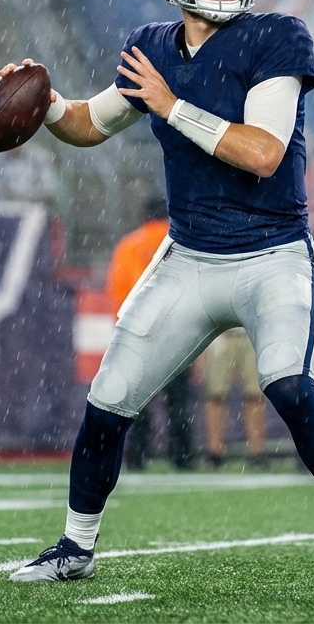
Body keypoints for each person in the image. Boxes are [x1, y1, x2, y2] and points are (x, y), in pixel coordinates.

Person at [0, 0, 314, 585]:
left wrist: (171, 105)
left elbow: (263, 153)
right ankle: (75, 546)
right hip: (189, 256)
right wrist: (43, 101)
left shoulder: (277, 35)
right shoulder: (152, 47)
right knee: (108, 400)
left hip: (272, 252)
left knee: (289, 386)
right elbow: (91, 124)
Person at [105, 198, 196, 472]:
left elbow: (118, 291)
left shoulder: (129, 245)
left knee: (137, 401)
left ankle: (138, 455)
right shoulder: (182, 241)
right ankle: (182, 456)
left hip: (138, 331)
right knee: (178, 401)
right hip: (176, 330)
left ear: (143, 215)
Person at [201, 328, 266, 469]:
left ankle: (257, 453)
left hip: (250, 334)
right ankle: (214, 452)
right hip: (220, 334)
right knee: (215, 395)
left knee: (255, 395)